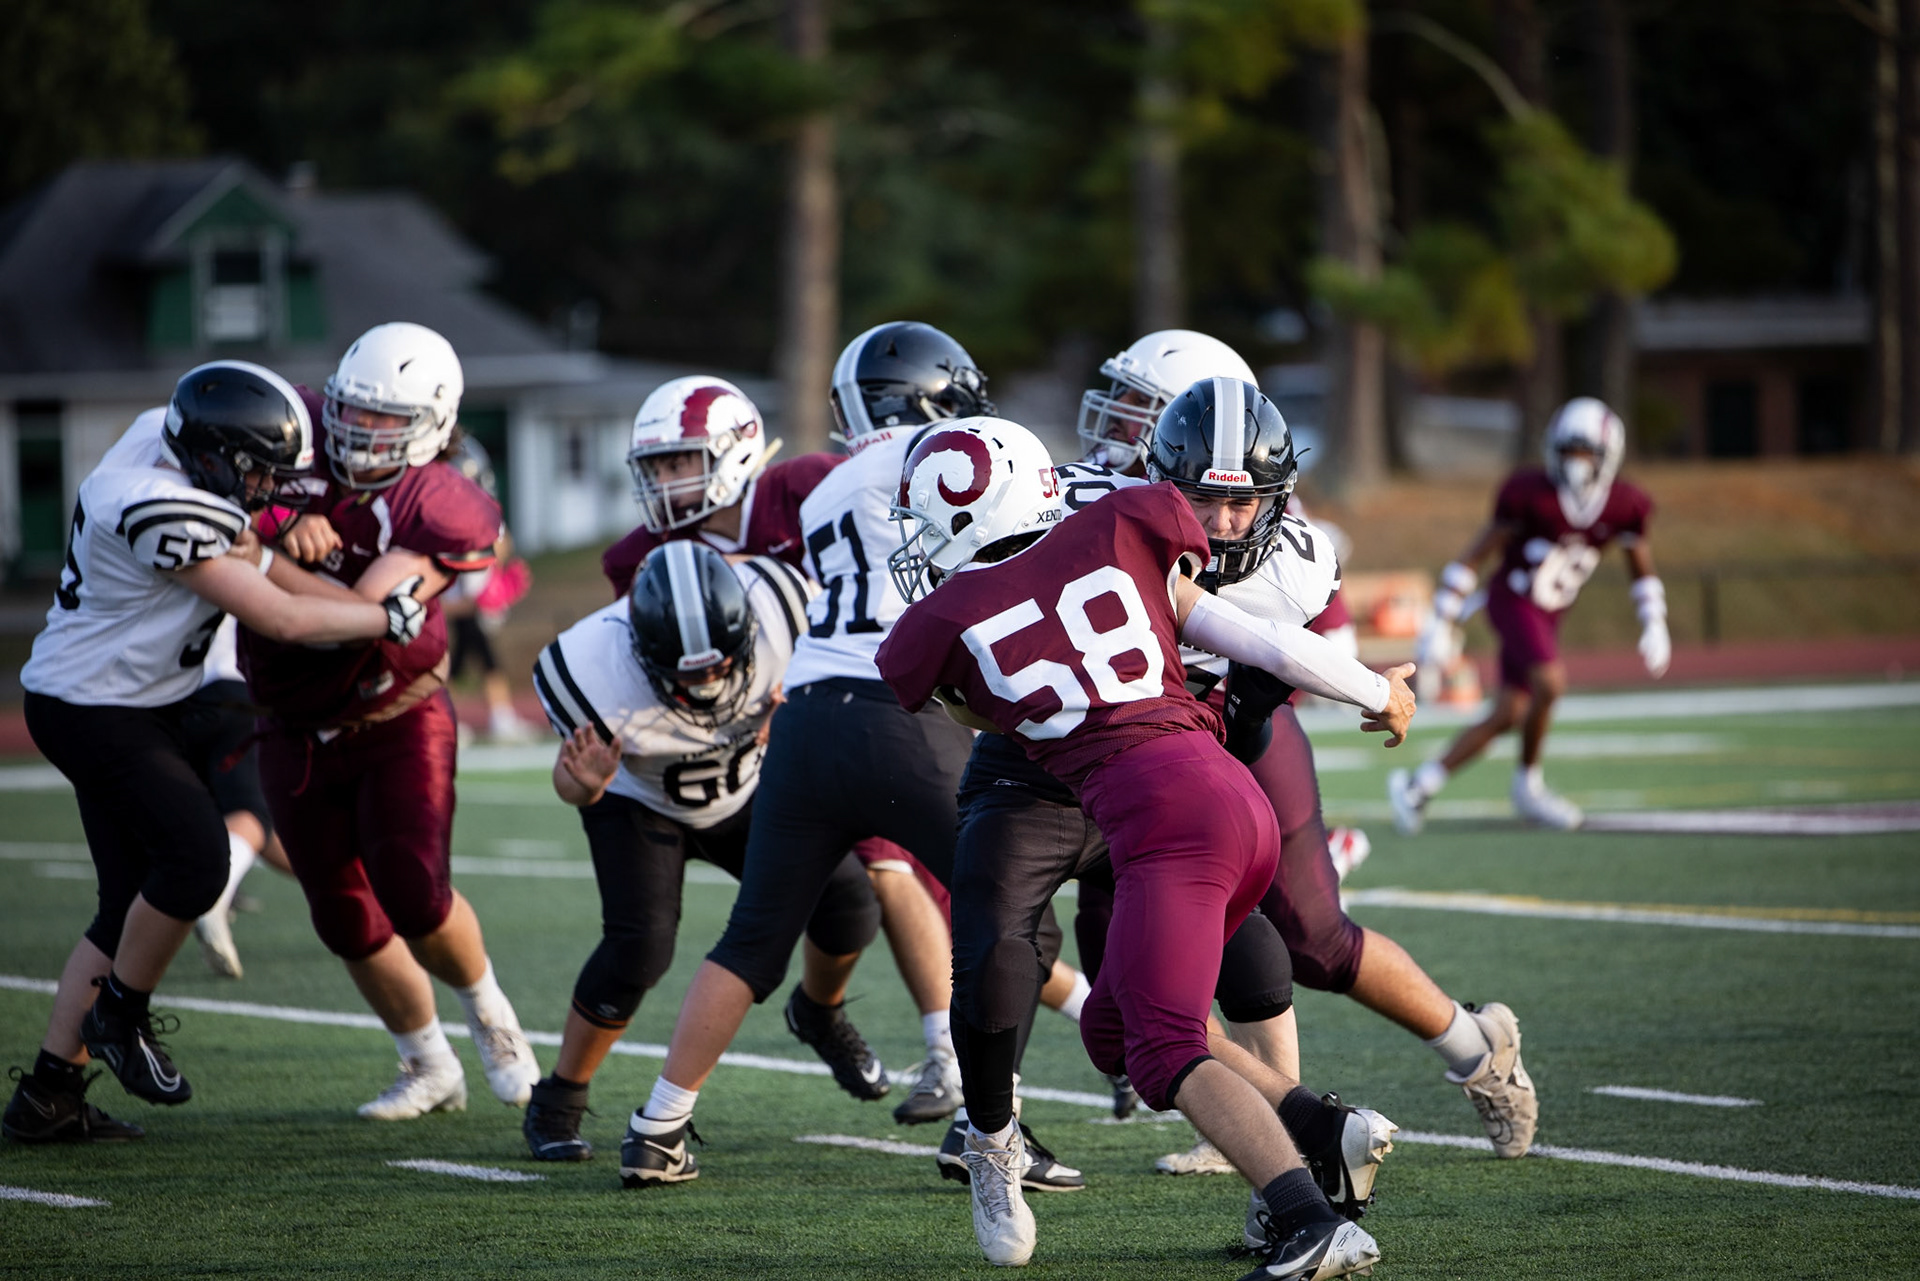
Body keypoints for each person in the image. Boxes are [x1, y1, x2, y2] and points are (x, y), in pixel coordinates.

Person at [877, 407, 1412, 1279]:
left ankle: (1311, 1220)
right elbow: (1259, 639)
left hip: (1167, 825)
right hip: (1231, 794)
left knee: (1166, 1047)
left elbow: (973, 708)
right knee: (1112, 1027)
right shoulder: (1116, 527)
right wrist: (1372, 688)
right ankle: (1323, 1127)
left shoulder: (948, 615)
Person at [3, 361, 426, 1144]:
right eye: (258, 472)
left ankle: (49, 1093)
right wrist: (387, 622)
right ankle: (121, 1019)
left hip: (137, 695)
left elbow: (264, 559)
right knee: (196, 862)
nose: (268, 490)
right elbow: (280, 616)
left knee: (125, 901)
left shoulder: (156, 439)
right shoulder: (157, 505)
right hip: (97, 709)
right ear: (211, 457)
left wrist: (362, 603)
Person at [616, 322, 993, 1191]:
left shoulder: (822, 488)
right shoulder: (953, 460)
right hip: (898, 709)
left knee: (752, 938)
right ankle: (985, 1120)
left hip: (806, 717)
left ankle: (657, 1125)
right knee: (1003, 910)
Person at [241, 322, 541, 1120]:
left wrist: (272, 555)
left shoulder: (443, 499)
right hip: (290, 717)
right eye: (352, 411)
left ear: (434, 425)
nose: (358, 432)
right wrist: (270, 529)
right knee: (341, 911)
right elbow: (210, 511)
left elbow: (360, 610)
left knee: (413, 889)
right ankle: (427, 1062)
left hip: (395, 712)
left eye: (385, 421)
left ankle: (490, 1013)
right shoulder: (287, 431)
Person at [522, 542, 886, 1165]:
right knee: (639, 949)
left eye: (718, 666)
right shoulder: (589, 665)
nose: (708, 686)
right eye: (686, 676)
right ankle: (558, 1099)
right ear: (641, 648)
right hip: (639, 801)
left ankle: (819, 1015)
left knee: (850, 904)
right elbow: (569, 782)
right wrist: (582, 782)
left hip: (745, 789)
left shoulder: (784, 605)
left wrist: (799, 716)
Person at [1389, 397, 1667, 832]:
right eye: (1567, 452)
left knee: (1510, 711)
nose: (1574, 463)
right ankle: (1528, 786)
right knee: (1550, 683)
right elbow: (1473, 558)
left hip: (1549, 614)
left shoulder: (1624, 504)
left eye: (1583, 452)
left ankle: (1417, 786)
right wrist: (1442, 620)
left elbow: (1641, 567)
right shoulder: (1529, 494)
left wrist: (1655, 622)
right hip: (1513, 601)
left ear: (1606, 456)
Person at [187, 615, 297, 979]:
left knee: (244, 821)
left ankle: (350, 887)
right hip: (234, 685)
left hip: (171, 697)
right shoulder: (239, 560)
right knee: (250, 813)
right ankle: (216, 892)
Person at [440, 436, 536, 743]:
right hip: (458, 601)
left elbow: (501, 547)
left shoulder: (478, 512)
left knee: (463, 659)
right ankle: (494, 716)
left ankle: (462, 715)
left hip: (466, 600)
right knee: (473, 659)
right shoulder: (443, 517)